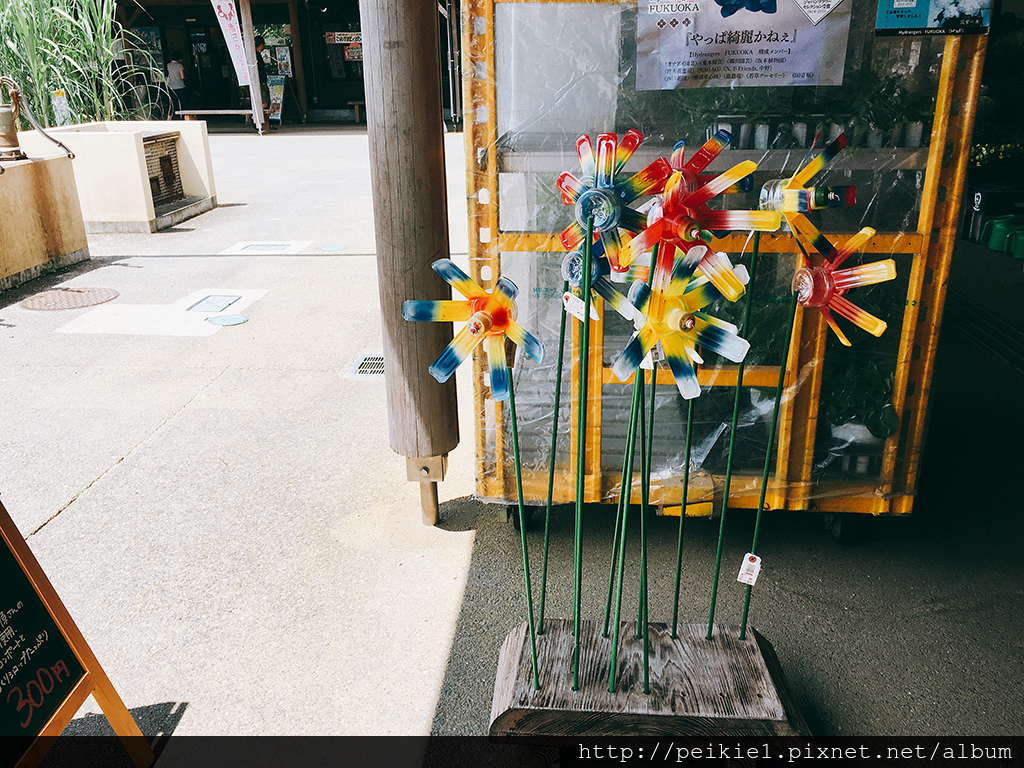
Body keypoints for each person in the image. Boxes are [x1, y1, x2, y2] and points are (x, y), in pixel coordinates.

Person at [167, 52, 187, 118]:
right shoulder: (179, 65)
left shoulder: (168, 65)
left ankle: (169, 118)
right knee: (183, 102)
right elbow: (182, 77)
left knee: (173, 103)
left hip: (172, 87)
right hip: (180, 86)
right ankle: (184, 117)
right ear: (179, 59)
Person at [254, 36, 269, 118]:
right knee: (264, 102)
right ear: (261, 44)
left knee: (263, 102)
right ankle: (254, 115)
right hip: (260, 81)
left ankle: (259, 118)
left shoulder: (255, 54)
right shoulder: (256, 55)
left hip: (260, 81)